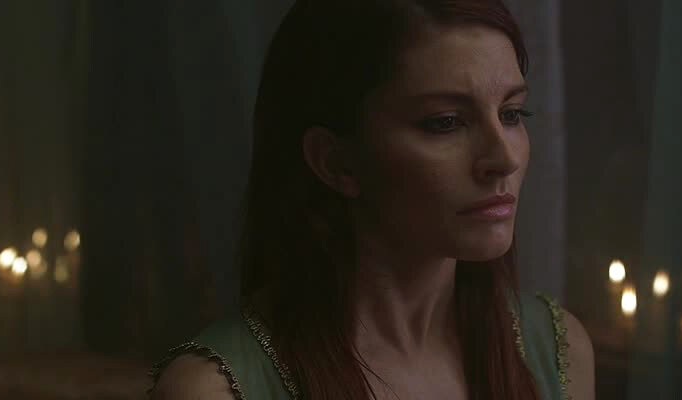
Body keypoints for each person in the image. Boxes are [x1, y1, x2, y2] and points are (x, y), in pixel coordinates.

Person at [149, 0, 595, 398]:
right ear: (337, 162)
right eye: (445, 122)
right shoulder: (214, 390)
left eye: (511, 114)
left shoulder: (558, 351)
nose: (503, 159)